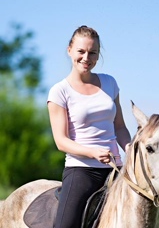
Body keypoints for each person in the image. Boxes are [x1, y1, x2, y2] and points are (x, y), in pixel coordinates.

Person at [47, 25, 131, 228]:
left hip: (116, 170)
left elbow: (119, 127)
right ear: (69, 50)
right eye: (81, 51)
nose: (87, 57)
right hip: (81, 170)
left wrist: (131, 149)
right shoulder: (59, 92)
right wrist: (92, 152)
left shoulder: (110, 83)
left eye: (93, 53)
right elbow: (61, 141)